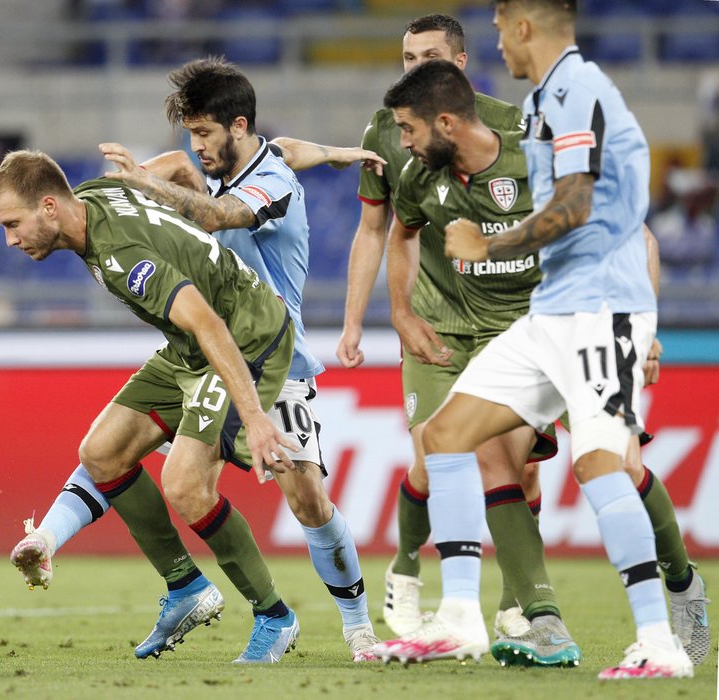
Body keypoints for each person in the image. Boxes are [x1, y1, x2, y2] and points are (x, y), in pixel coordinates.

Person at [290, 12, 708, 669]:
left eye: (499, 22)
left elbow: (611, 221)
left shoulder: (574, 97)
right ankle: (462, 620)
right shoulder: (539, 102)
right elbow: (391, 230)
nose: (494, 32)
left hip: (601, 313)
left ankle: (668, 624)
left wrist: (639, 324)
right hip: (547, 314)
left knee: (607, 465)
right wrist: (396, 311)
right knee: (447, 435)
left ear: (522, 27)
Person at [12, 56, 387, 663]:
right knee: (118, 454)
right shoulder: (241, 157)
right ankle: (192, 588)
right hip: (208, 346)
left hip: (273, 356)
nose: (197, 146)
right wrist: (341, 152)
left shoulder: (273, 186)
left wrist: (142, 182)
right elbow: (280, 149)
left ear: (238, 127)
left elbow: (219, 214)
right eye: (190, 132)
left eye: (206, 132)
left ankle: (357, 623)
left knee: (308, 501)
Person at [0, 148, 302, 664]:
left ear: (48, 207)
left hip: (244, 336)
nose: (10, 240)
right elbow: (175, 163)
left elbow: (209, 324)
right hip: (188, 347)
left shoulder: (124, 257)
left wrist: (257, 418)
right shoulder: (94, 192)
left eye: (13, 224)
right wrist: (199, 235)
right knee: (102, 452)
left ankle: (274, 616)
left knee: (185, 484)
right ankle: (186, 589)